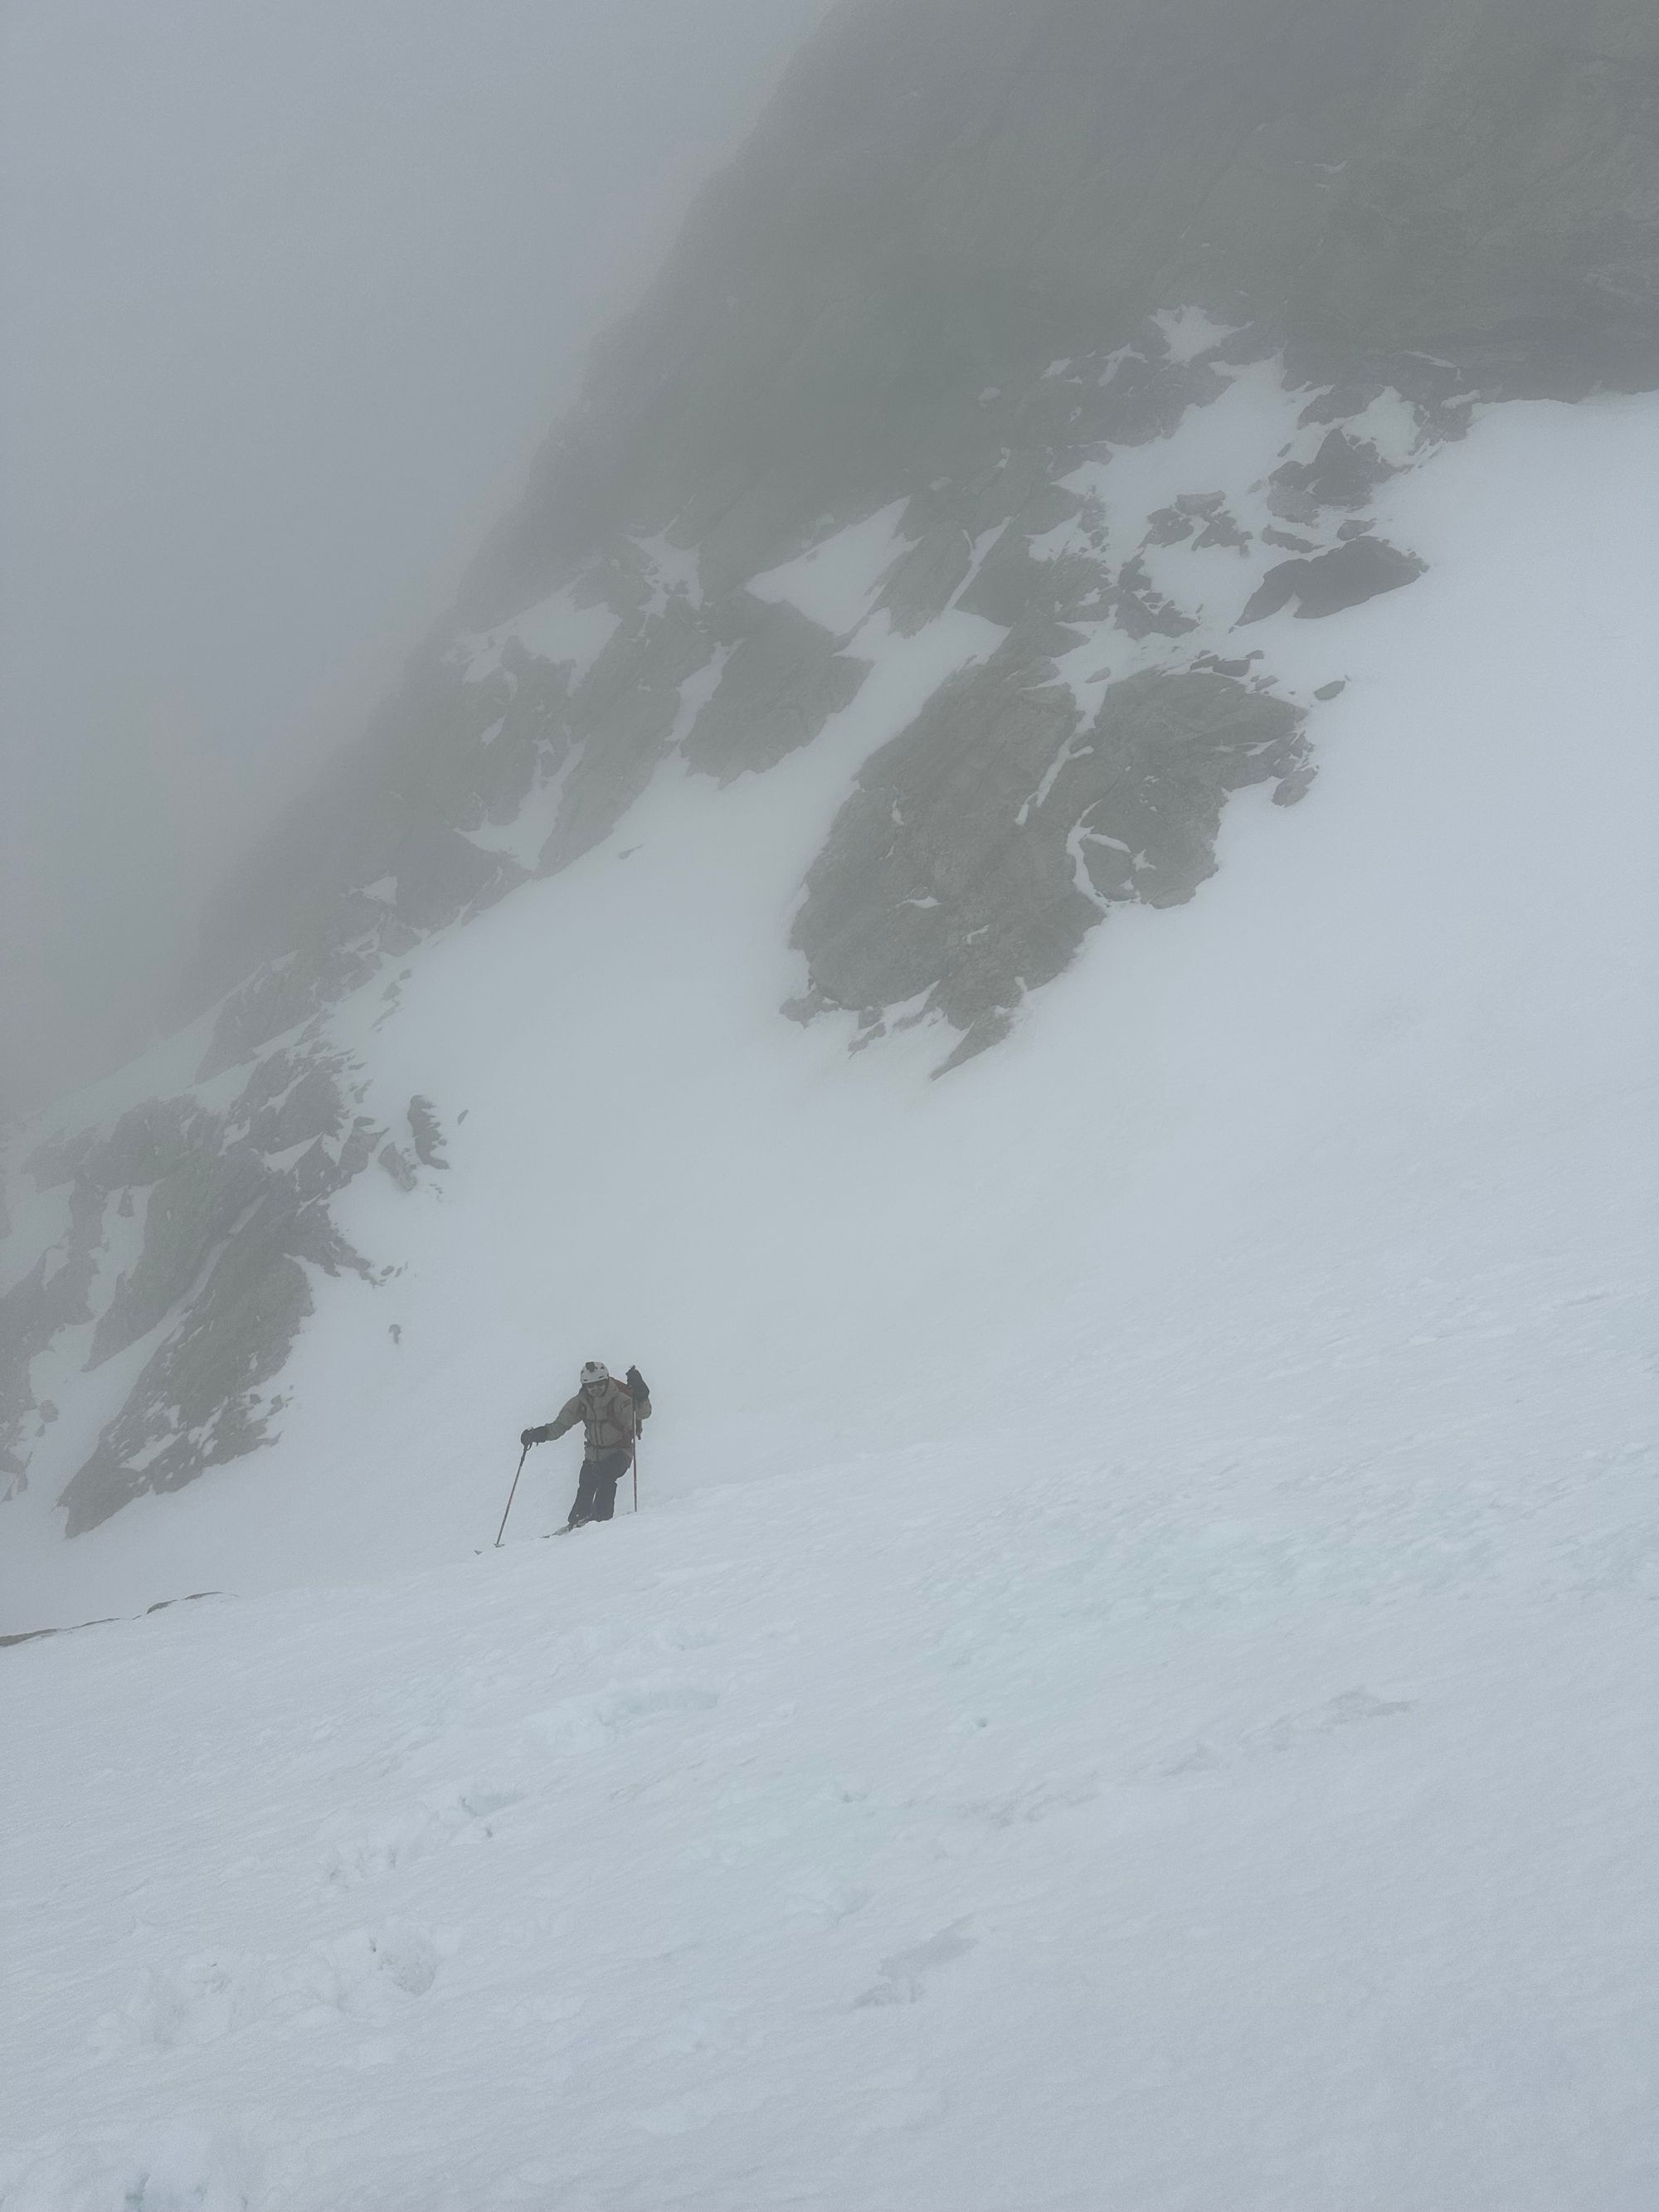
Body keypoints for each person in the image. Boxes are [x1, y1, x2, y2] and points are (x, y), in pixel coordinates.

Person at [522, 1361, 649, 1529]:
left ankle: (601, 1523)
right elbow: (560, 1425)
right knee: (586, 1483)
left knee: (606, 1477)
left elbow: (641, 1414)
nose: (594, 1389)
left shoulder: (620, 1400)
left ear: (606, 1382)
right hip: (593, 1454)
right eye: (590, 1385)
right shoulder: (580, 1402)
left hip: (620, 1451)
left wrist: (641, 1396)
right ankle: (577, 1522)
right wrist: (539, 1434)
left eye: (598, 1384)